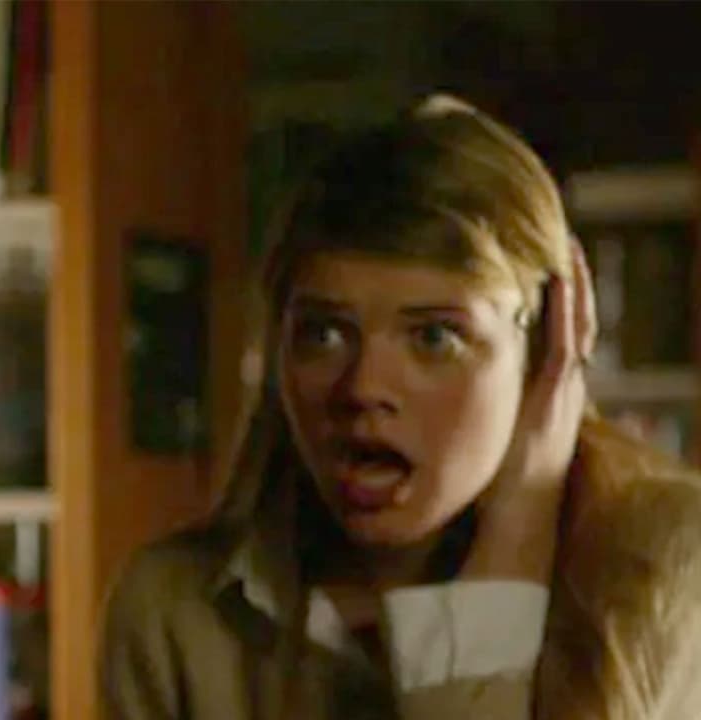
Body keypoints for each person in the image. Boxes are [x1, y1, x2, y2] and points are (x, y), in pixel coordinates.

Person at [101, 96, 701, 719]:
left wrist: (518, 528)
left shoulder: (662, 574)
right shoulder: (174, 612)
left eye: (435, 337)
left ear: (548, 349)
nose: (362, 387)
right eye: (323, 333)